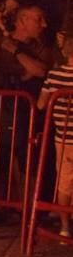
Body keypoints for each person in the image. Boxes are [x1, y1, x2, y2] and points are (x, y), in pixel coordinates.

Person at [37, 28, 73, 238]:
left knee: (64, 181)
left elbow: (41, 104)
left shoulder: (54, 74)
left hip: (63, 137)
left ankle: (64, 226)